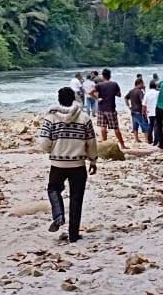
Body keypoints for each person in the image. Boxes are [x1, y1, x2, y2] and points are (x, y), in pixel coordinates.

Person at [38, 87, 97, 243]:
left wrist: (53, 148)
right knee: (77, 199)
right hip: (78, 165)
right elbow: (91, 142)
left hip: (58, 165)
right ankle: (73, 235)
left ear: (59, 100)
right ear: (74, 99)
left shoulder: (50, 118)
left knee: (53, 189)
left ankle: (58, 215)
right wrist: (93, 160)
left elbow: (44, 143)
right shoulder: (84, 118)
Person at [89, 69, 127, 149]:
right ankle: (122, 145)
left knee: (103, 127)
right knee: (116, 128)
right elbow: (119, 94)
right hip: (111, 108)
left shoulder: (99, 85)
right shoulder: (114, 84)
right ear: (110, 76)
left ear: (103, 76)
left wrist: (97, 98)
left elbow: (90, 92)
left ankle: (105, 144)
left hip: (101, 109)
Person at [125, 78, 149, 144]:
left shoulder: (131, 91)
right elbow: (143, 101)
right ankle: (146, 140)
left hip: (133, 110)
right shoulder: (139, 91)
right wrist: (145, 110)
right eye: (142, 83)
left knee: (135, 125)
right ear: (140, 83)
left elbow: (126, 98)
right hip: (139, 111)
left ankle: (136, 139)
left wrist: (128, 106)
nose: (143, 85)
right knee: (145, 125)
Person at [142, 80, 160, 145]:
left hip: (149, 112)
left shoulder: (147, 94)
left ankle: (150, 140)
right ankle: (156, 141)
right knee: (156, 126)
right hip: (157, 111)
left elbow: (144, 105)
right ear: (155, 86)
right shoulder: (158, 93)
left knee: (150, 126)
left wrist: (143, 112)